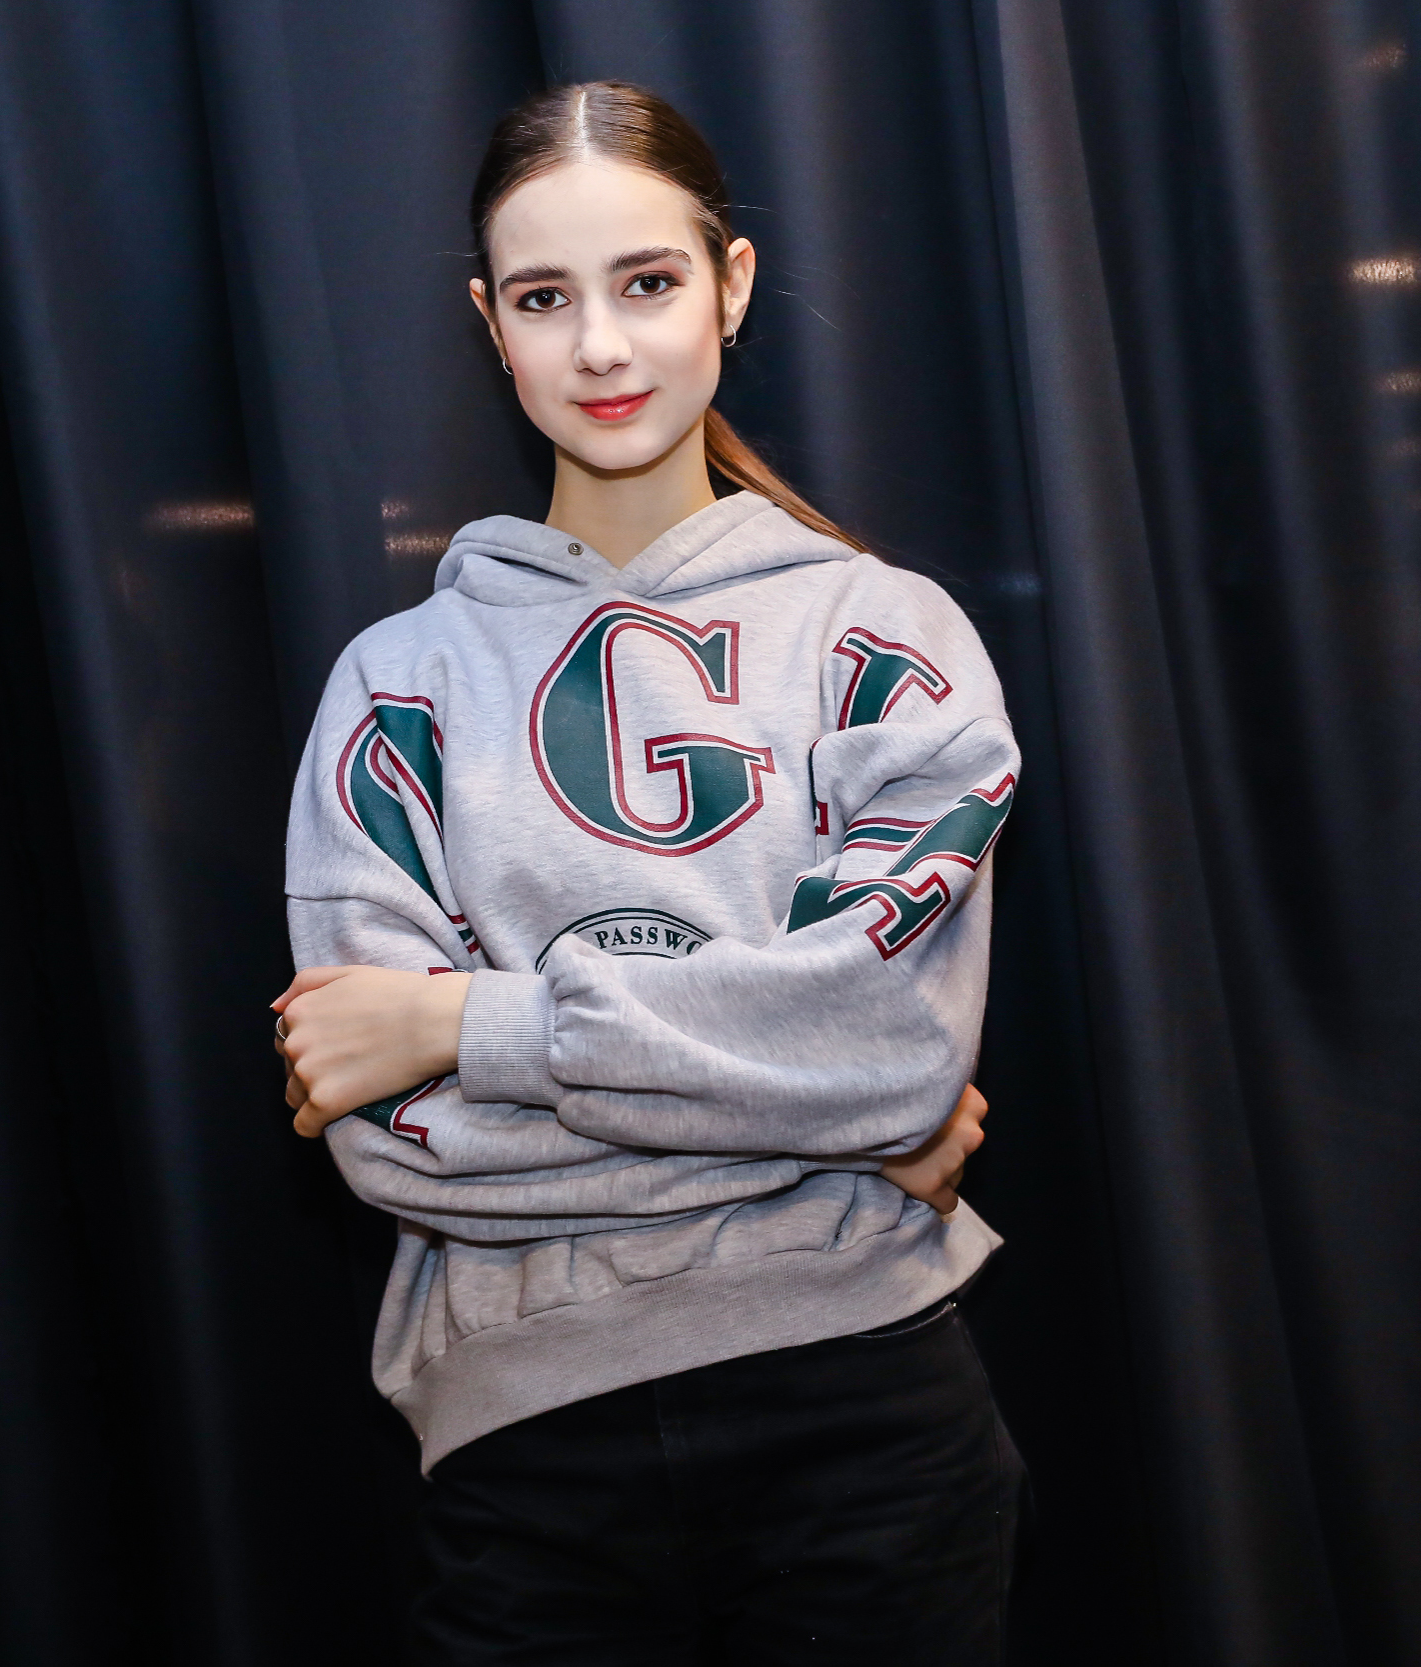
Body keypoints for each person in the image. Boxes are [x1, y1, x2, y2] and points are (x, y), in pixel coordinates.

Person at [271, 80, 1025, 1664]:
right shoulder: (394, 685)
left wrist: (467, 1025)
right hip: (525, 1457)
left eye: (648, 282)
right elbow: (398, 1149)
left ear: (730, 286)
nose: (602, 347)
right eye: (545, 298)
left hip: (868, 1425)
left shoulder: (883, 634)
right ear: (489, 323)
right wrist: (821, 1120)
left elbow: (891, 1048)